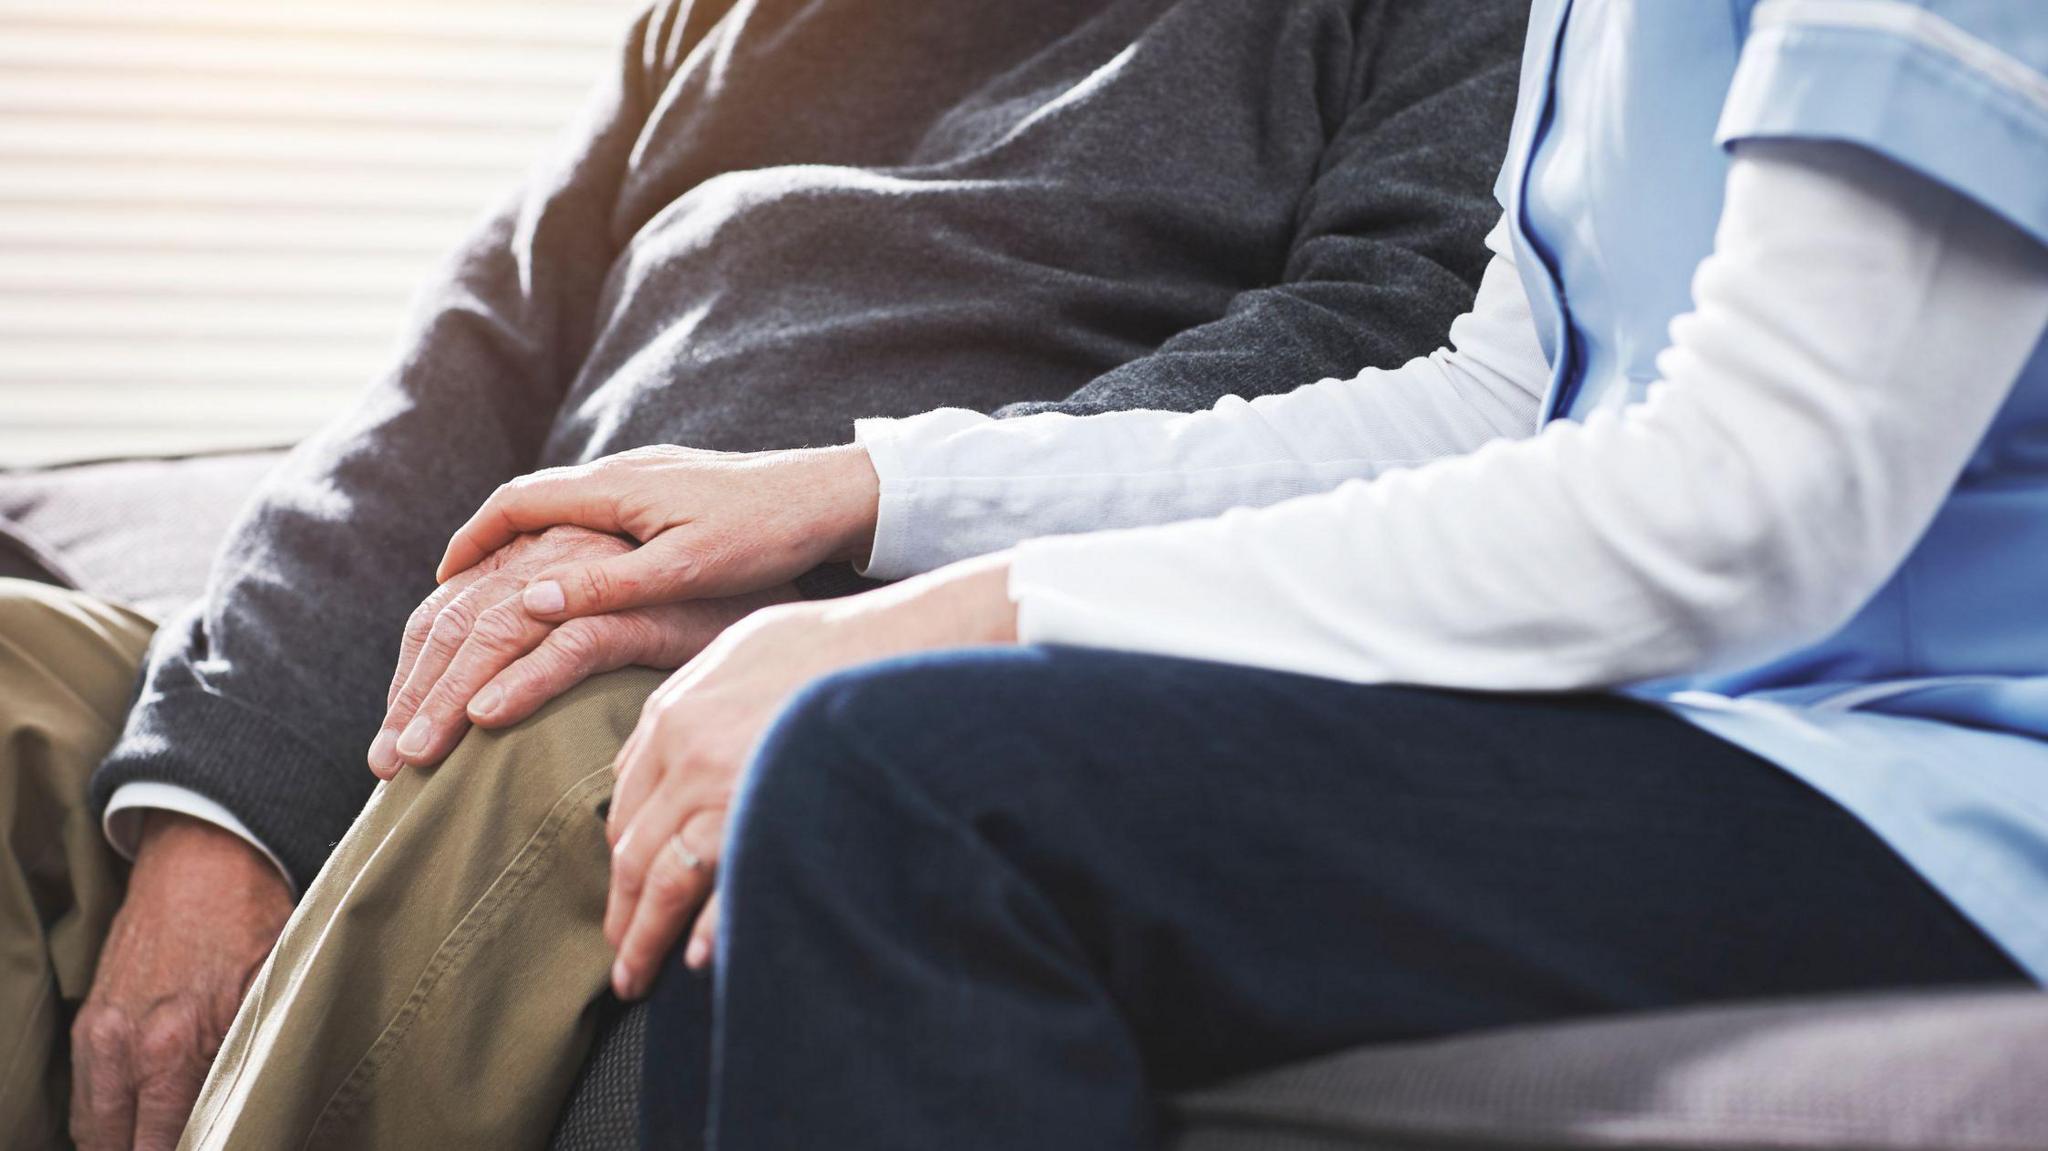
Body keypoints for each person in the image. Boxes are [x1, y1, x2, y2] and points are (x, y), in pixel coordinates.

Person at [345, 0, 2048, 1147]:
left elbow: (1757, 498)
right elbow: (1490, 403)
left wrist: (946, 617)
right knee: (834, 766)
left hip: (1945, 775)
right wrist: (869, 494)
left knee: (896, 787)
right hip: (1715, 725)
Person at [0, 1, 1527, 1148]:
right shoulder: (714, 22)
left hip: (862, 609)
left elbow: (1397, 342)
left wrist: (852, 545)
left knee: (570, 692)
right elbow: (437, 393)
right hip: (517, 608)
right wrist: (218, 803)